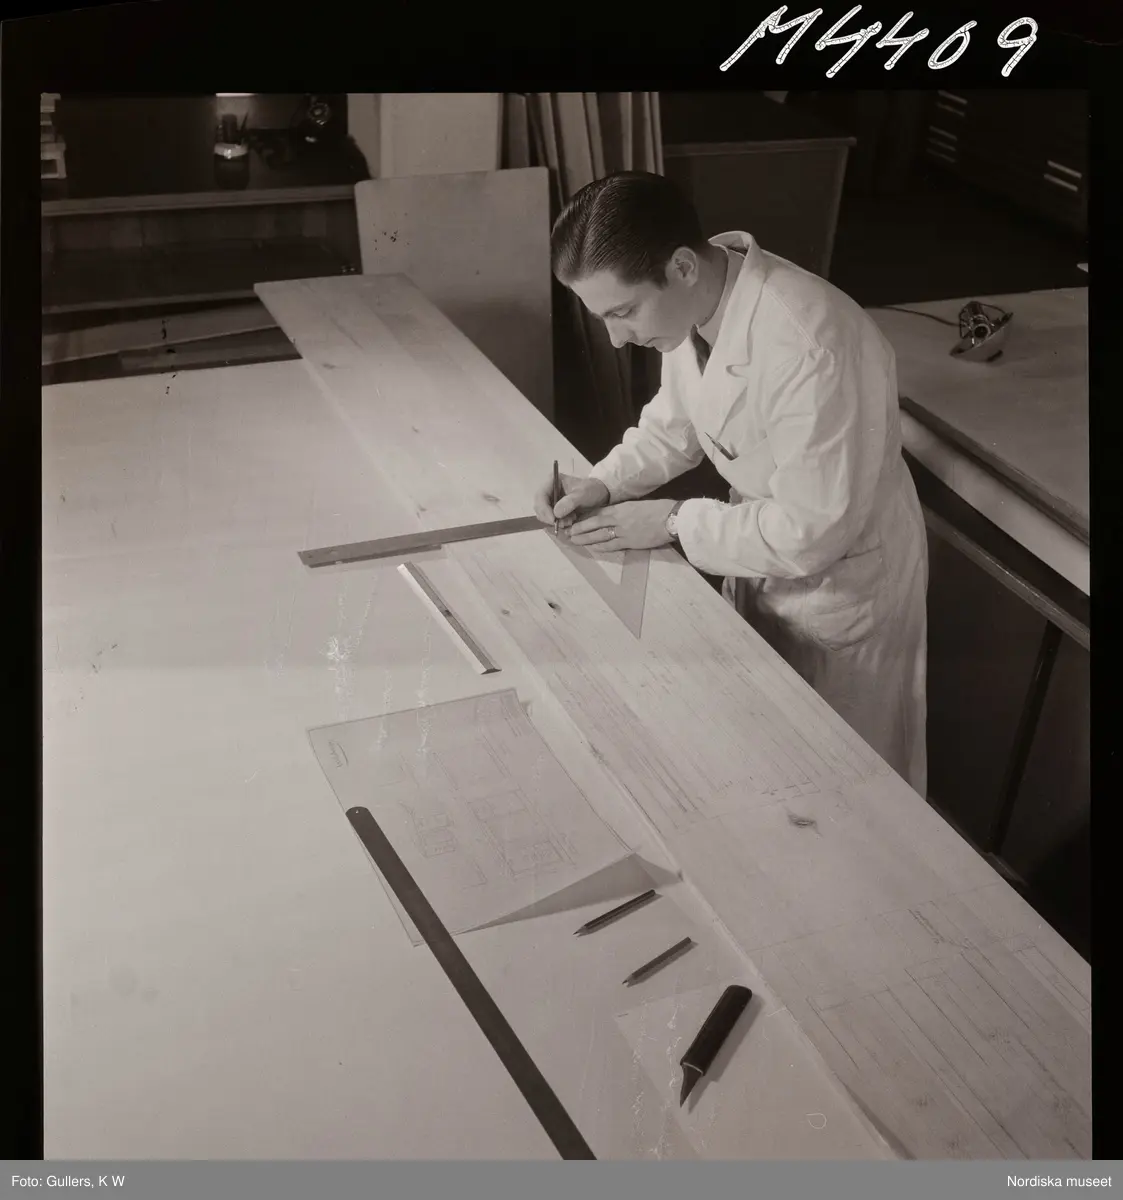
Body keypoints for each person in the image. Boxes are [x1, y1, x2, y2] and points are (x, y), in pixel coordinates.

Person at [533, 170, 928, 797]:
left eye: (623, 312)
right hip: (762, 550)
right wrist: (603, 484)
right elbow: (676, 425)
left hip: (844, 577)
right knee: (771, 760)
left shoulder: (811, 345)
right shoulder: (695, 303)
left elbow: (811, 531)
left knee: (857, 787)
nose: (616, 339)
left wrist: (671, 522)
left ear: (682, 266)